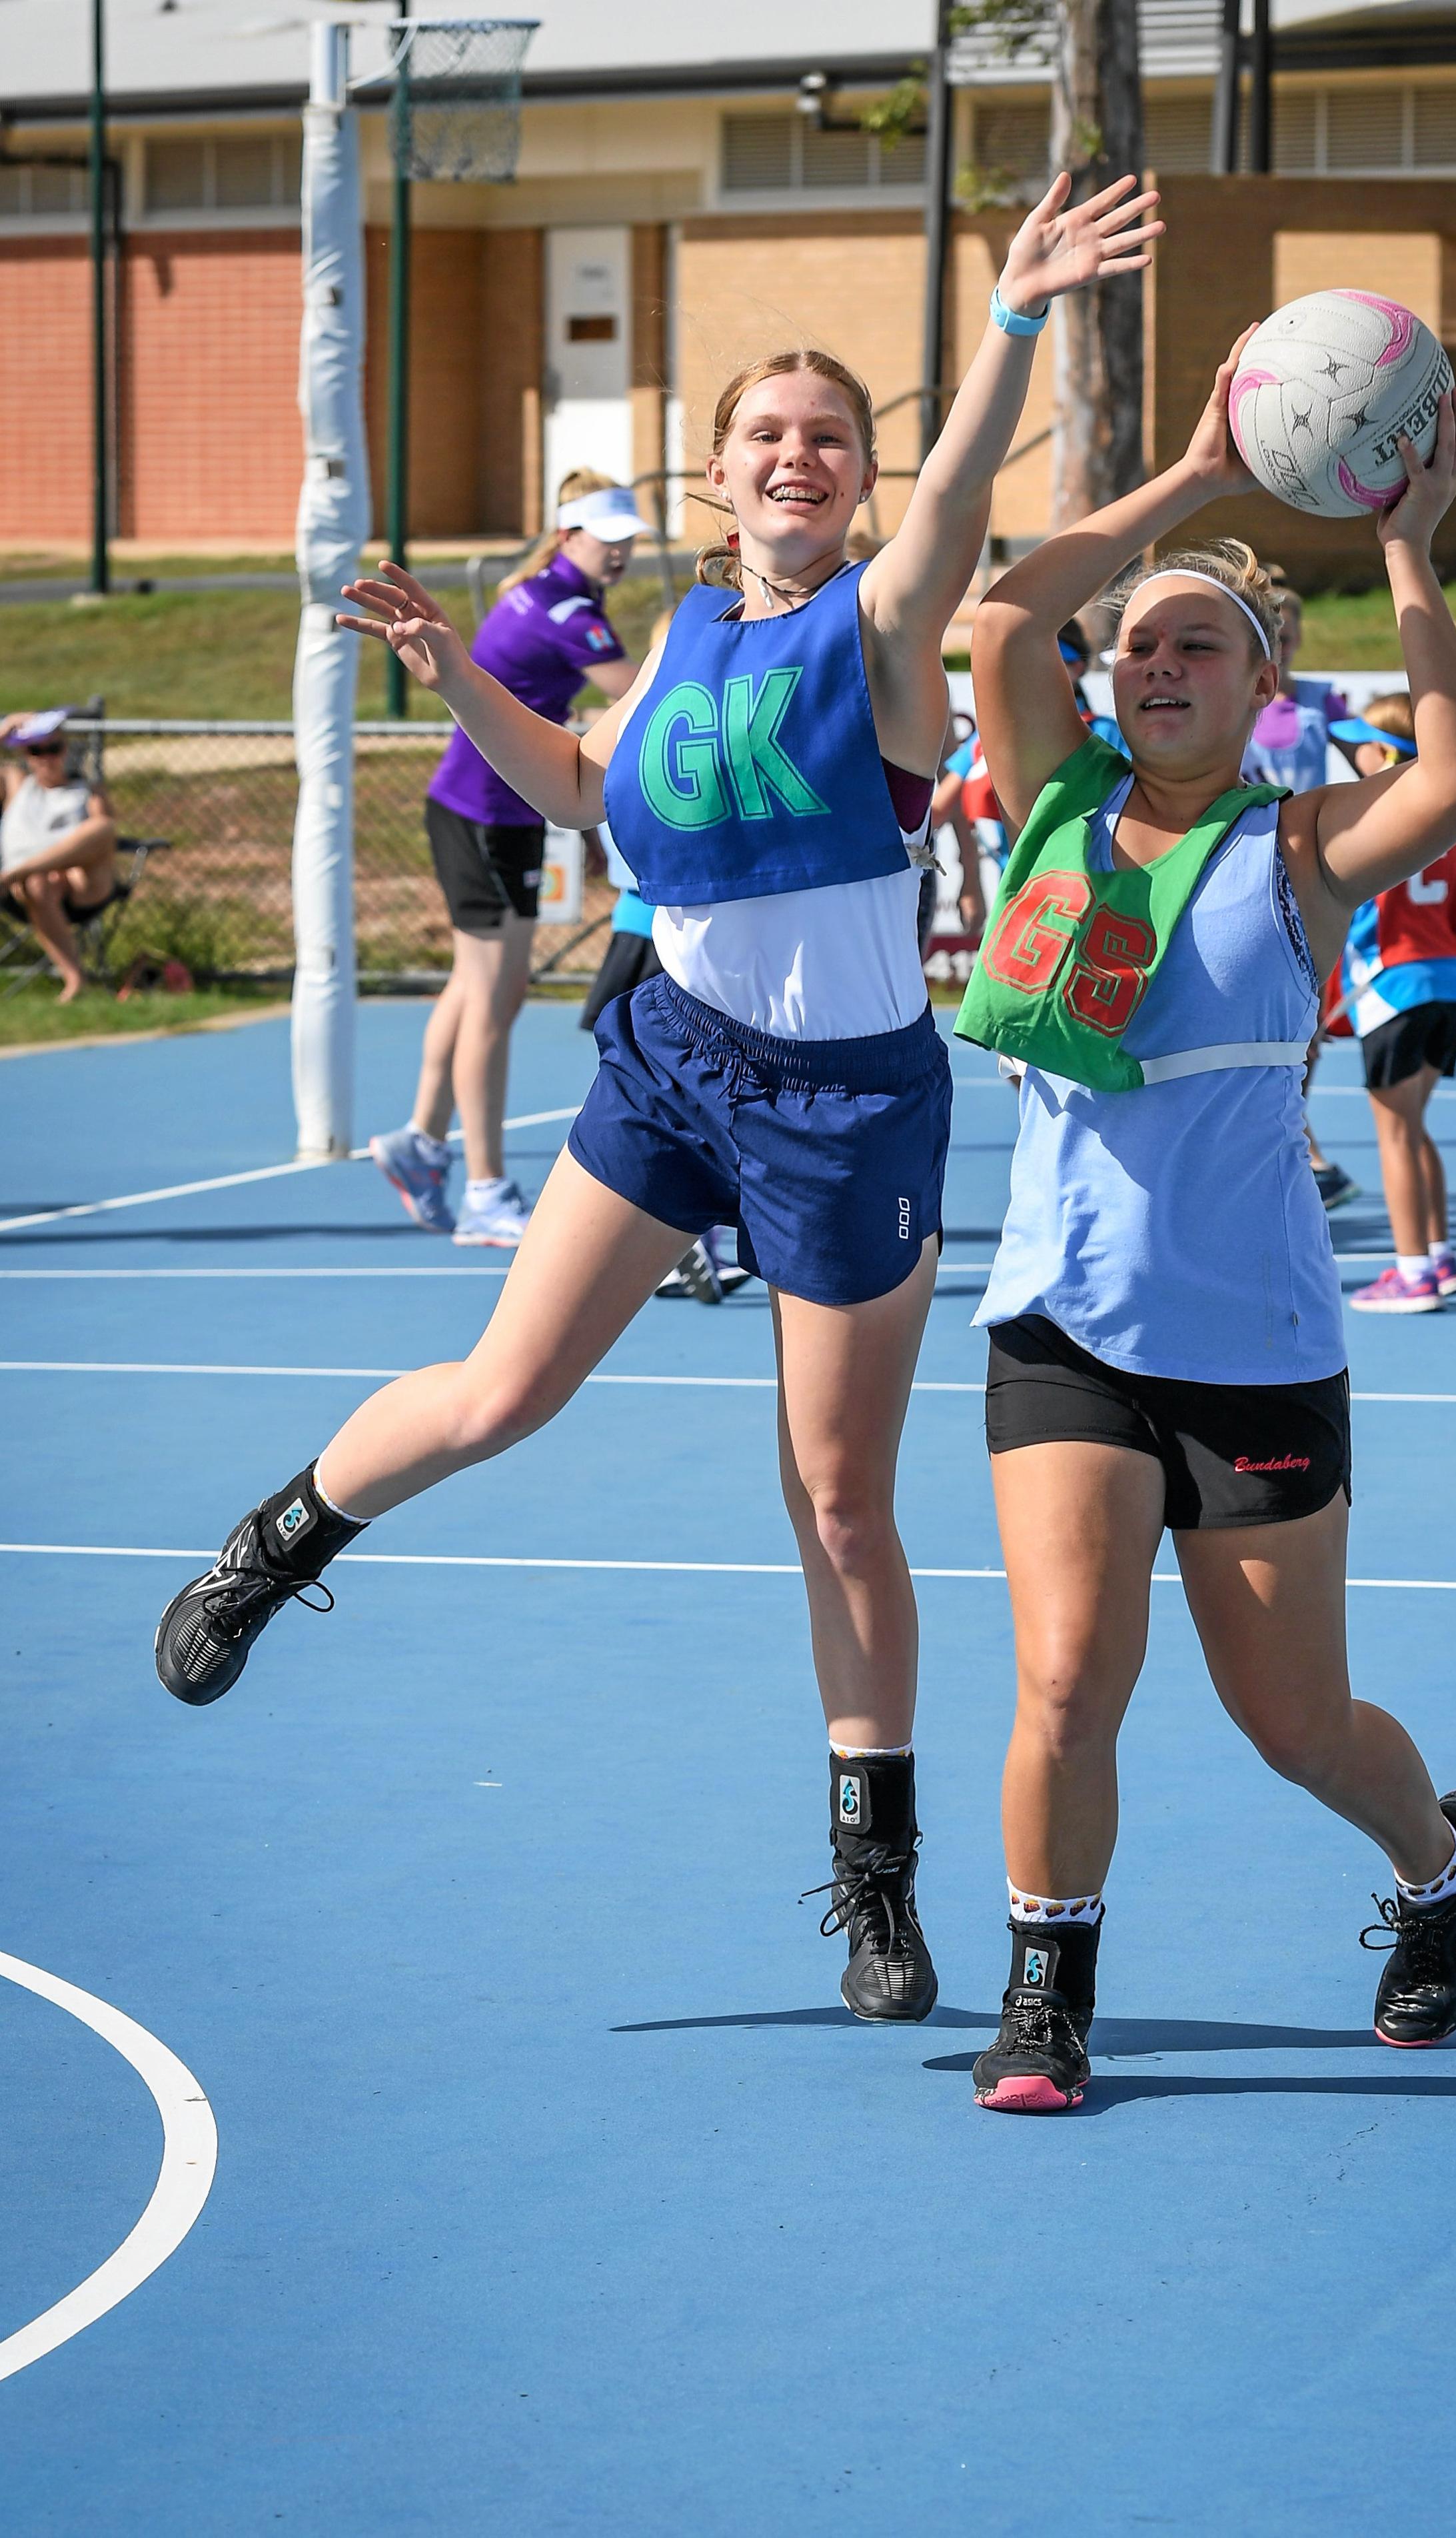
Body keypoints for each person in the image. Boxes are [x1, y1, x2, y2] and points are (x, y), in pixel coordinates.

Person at [153, 173, 1165, 2026]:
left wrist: (1011, 316)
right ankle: (279, 1539)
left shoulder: (876, 634)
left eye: (829, 437)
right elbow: (567, 790)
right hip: (673, 1068)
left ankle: (875, 1883)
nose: (799, 455)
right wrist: (449, 667)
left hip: (847, 1112)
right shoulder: (676, 648)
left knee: (839, 1500)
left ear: (857, 478)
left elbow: (958, 512)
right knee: (504, 1391)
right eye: (765, 434)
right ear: (716, 476)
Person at [955, 338, 1456, 2113]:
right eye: (1137, 642)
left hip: (1254, 1344)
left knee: (1293, 1730)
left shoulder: (1296, 851)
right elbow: (987, 617)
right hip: (1060, 1326)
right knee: (1062, 1679)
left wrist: (1404, 542)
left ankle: (1438, 1868)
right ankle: (1046, 1992)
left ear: (1263, 684)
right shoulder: (1057, 799)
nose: (1154, 661)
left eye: (1198, 641)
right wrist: (1192, 476)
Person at [368, 473, 649, 1248]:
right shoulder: (569, 616)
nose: (621, 550)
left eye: (628, 537)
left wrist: (588, 828)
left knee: (480, 987)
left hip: (505, 813)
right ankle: (486, 1191)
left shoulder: (533, 594)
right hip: (483, 818)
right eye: (606, 536)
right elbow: (648, 701)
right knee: (495, 1002)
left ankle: (423, 1140)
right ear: (568, 536)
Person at [1329, 693, 1456, 1314]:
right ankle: (1438, 1255)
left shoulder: (1369, 819)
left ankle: (1411, 1272)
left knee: (1395, 1134)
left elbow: (1342, 918)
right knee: (1415, 1126)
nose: (1350, 753)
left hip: (1393, 987)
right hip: (1448, 989)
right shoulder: (1451, 829)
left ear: (1382, 753)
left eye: (1359, 743)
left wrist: (1322, 999)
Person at [1240, 579, 1363, 1214]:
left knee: (1307, 1027)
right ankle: (1295, 1146)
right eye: (1272, 631)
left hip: (1305, 875)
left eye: (1290, 631)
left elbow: (1376, 753)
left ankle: (1292, 1134)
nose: (1284, 640)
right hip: (1244, 871)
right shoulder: (1233, 700)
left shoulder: (1321, 701)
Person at [934, 619, 1121, 939]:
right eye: (1036, 662)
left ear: (1080, 668)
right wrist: (970, 878)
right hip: (1021, 902)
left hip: (1101, 903)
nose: (1048, 674)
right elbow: (937, 811)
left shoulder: (1109, 734)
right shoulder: (995, 734)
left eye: (1063, 663)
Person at [0, 708, 118, 1002]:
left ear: (66, 750)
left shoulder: (87, 791)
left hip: (81, 887)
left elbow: (104, 838)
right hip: (28, 892)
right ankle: (75, 979)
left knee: (102, 827)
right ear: (26, 755)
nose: (47, 758)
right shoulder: (17, 785)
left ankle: (19, 871)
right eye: (37, 750)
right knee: (37, 882)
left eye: (54, 748)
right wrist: (7, 727)